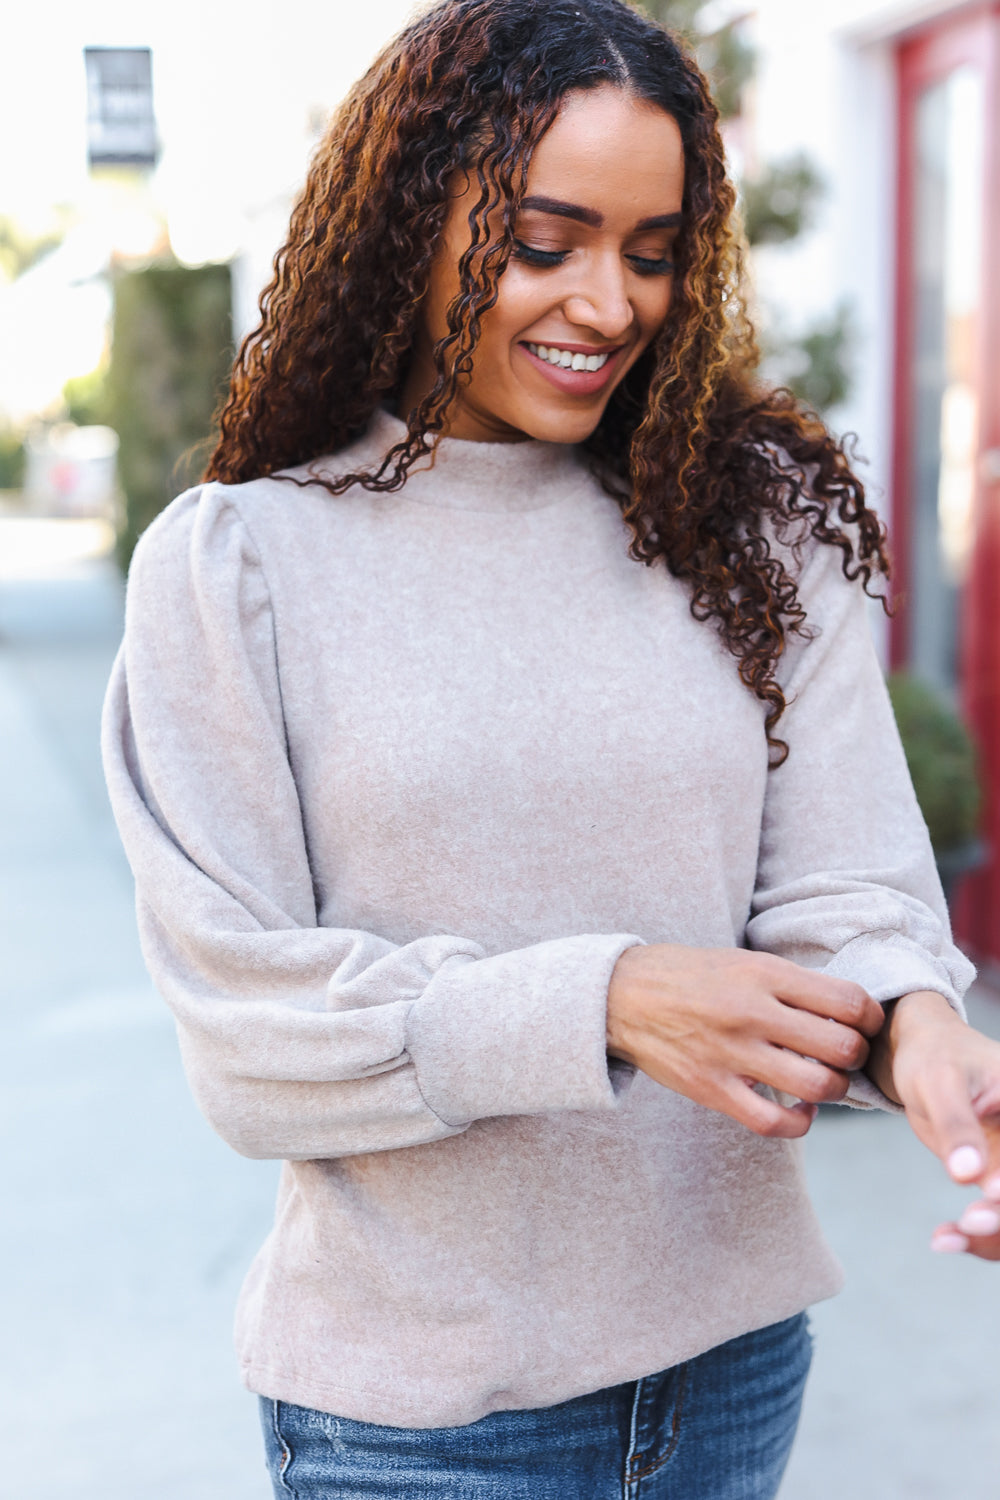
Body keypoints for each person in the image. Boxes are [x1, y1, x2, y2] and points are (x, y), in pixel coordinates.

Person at [101, 1, 1000, 1495]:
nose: (609, 303)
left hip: (732, 1365)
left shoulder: (756, 526)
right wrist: (610, 999)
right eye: (543, 241)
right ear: (409, 226)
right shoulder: (242, 569)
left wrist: (921, 1027)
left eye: (653, 254)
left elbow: (849, 884)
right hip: (421, 1415)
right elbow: (249, 1040)